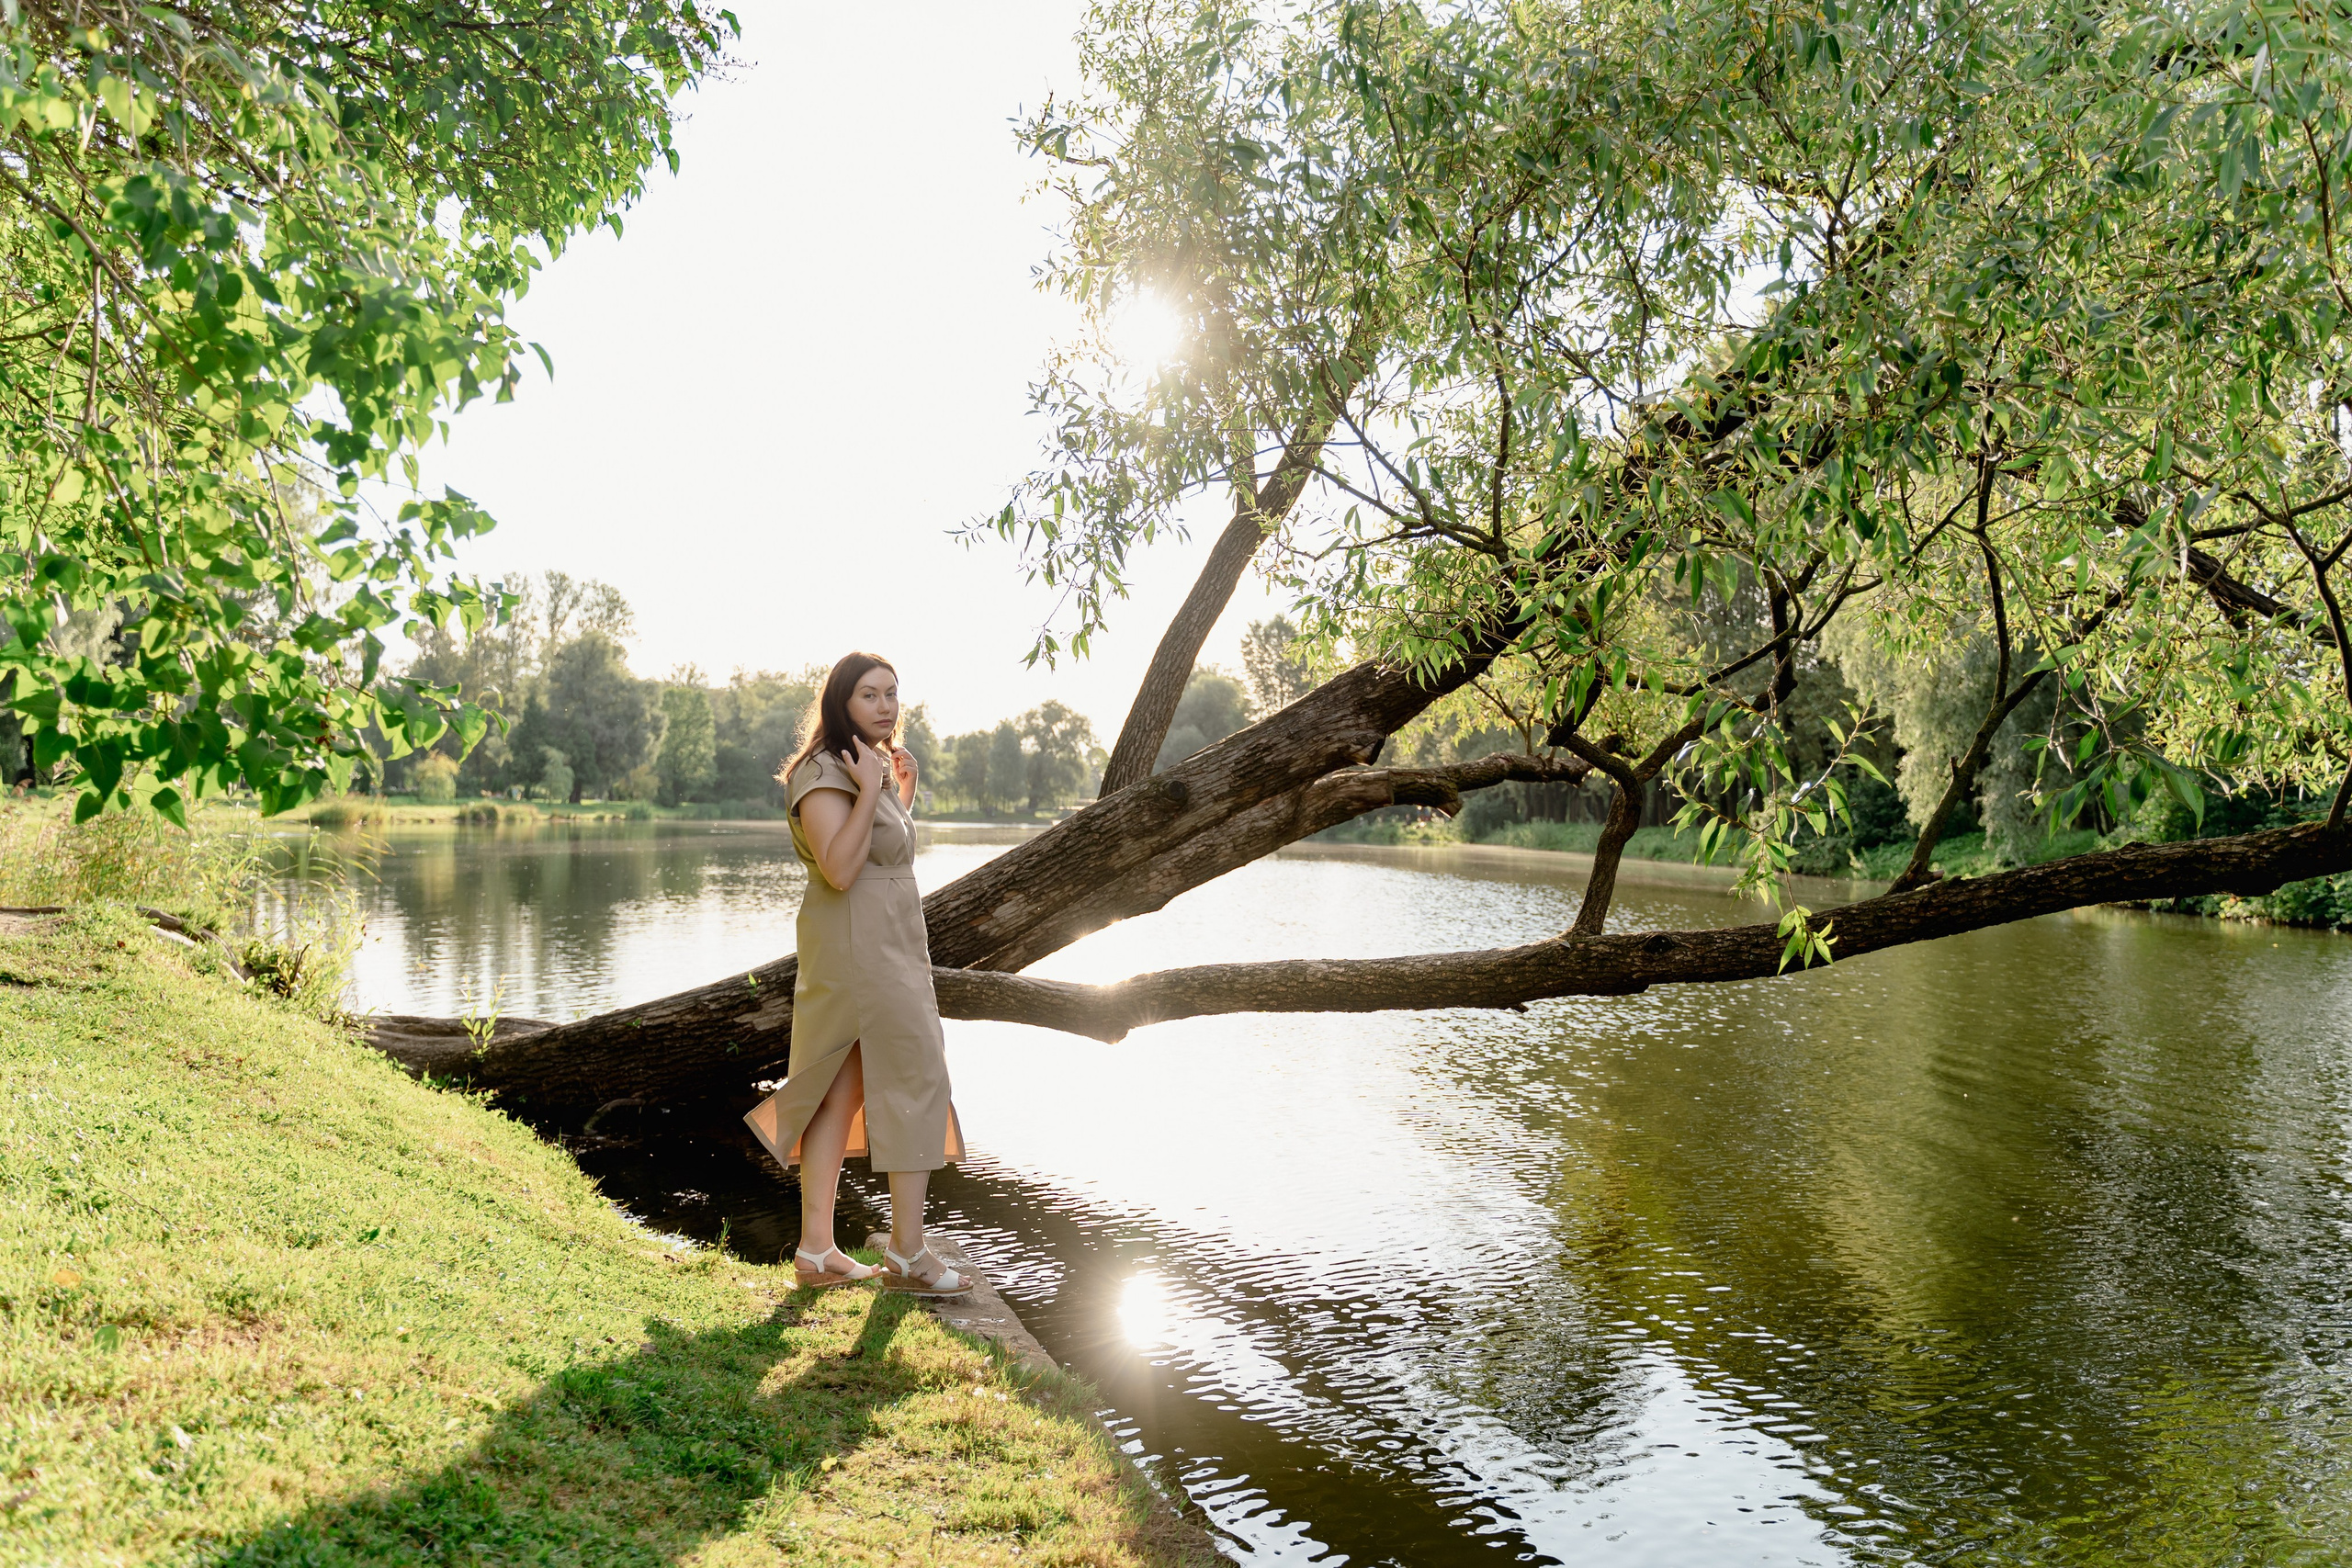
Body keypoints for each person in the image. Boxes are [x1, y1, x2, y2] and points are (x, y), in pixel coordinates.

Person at [742, 652, 971, 1297]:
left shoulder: (864, 763)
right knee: (914, 1078)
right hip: (859, 949)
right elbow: (840, 869)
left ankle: (818, 1250)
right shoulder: (823, 770)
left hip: (887, 943)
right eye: (869, 694)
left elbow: (879, 854)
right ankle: (907, 1252)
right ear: (840, 700)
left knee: (839, 1092)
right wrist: (873, 790)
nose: (885, 706)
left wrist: (899, 794)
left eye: (892, 694)